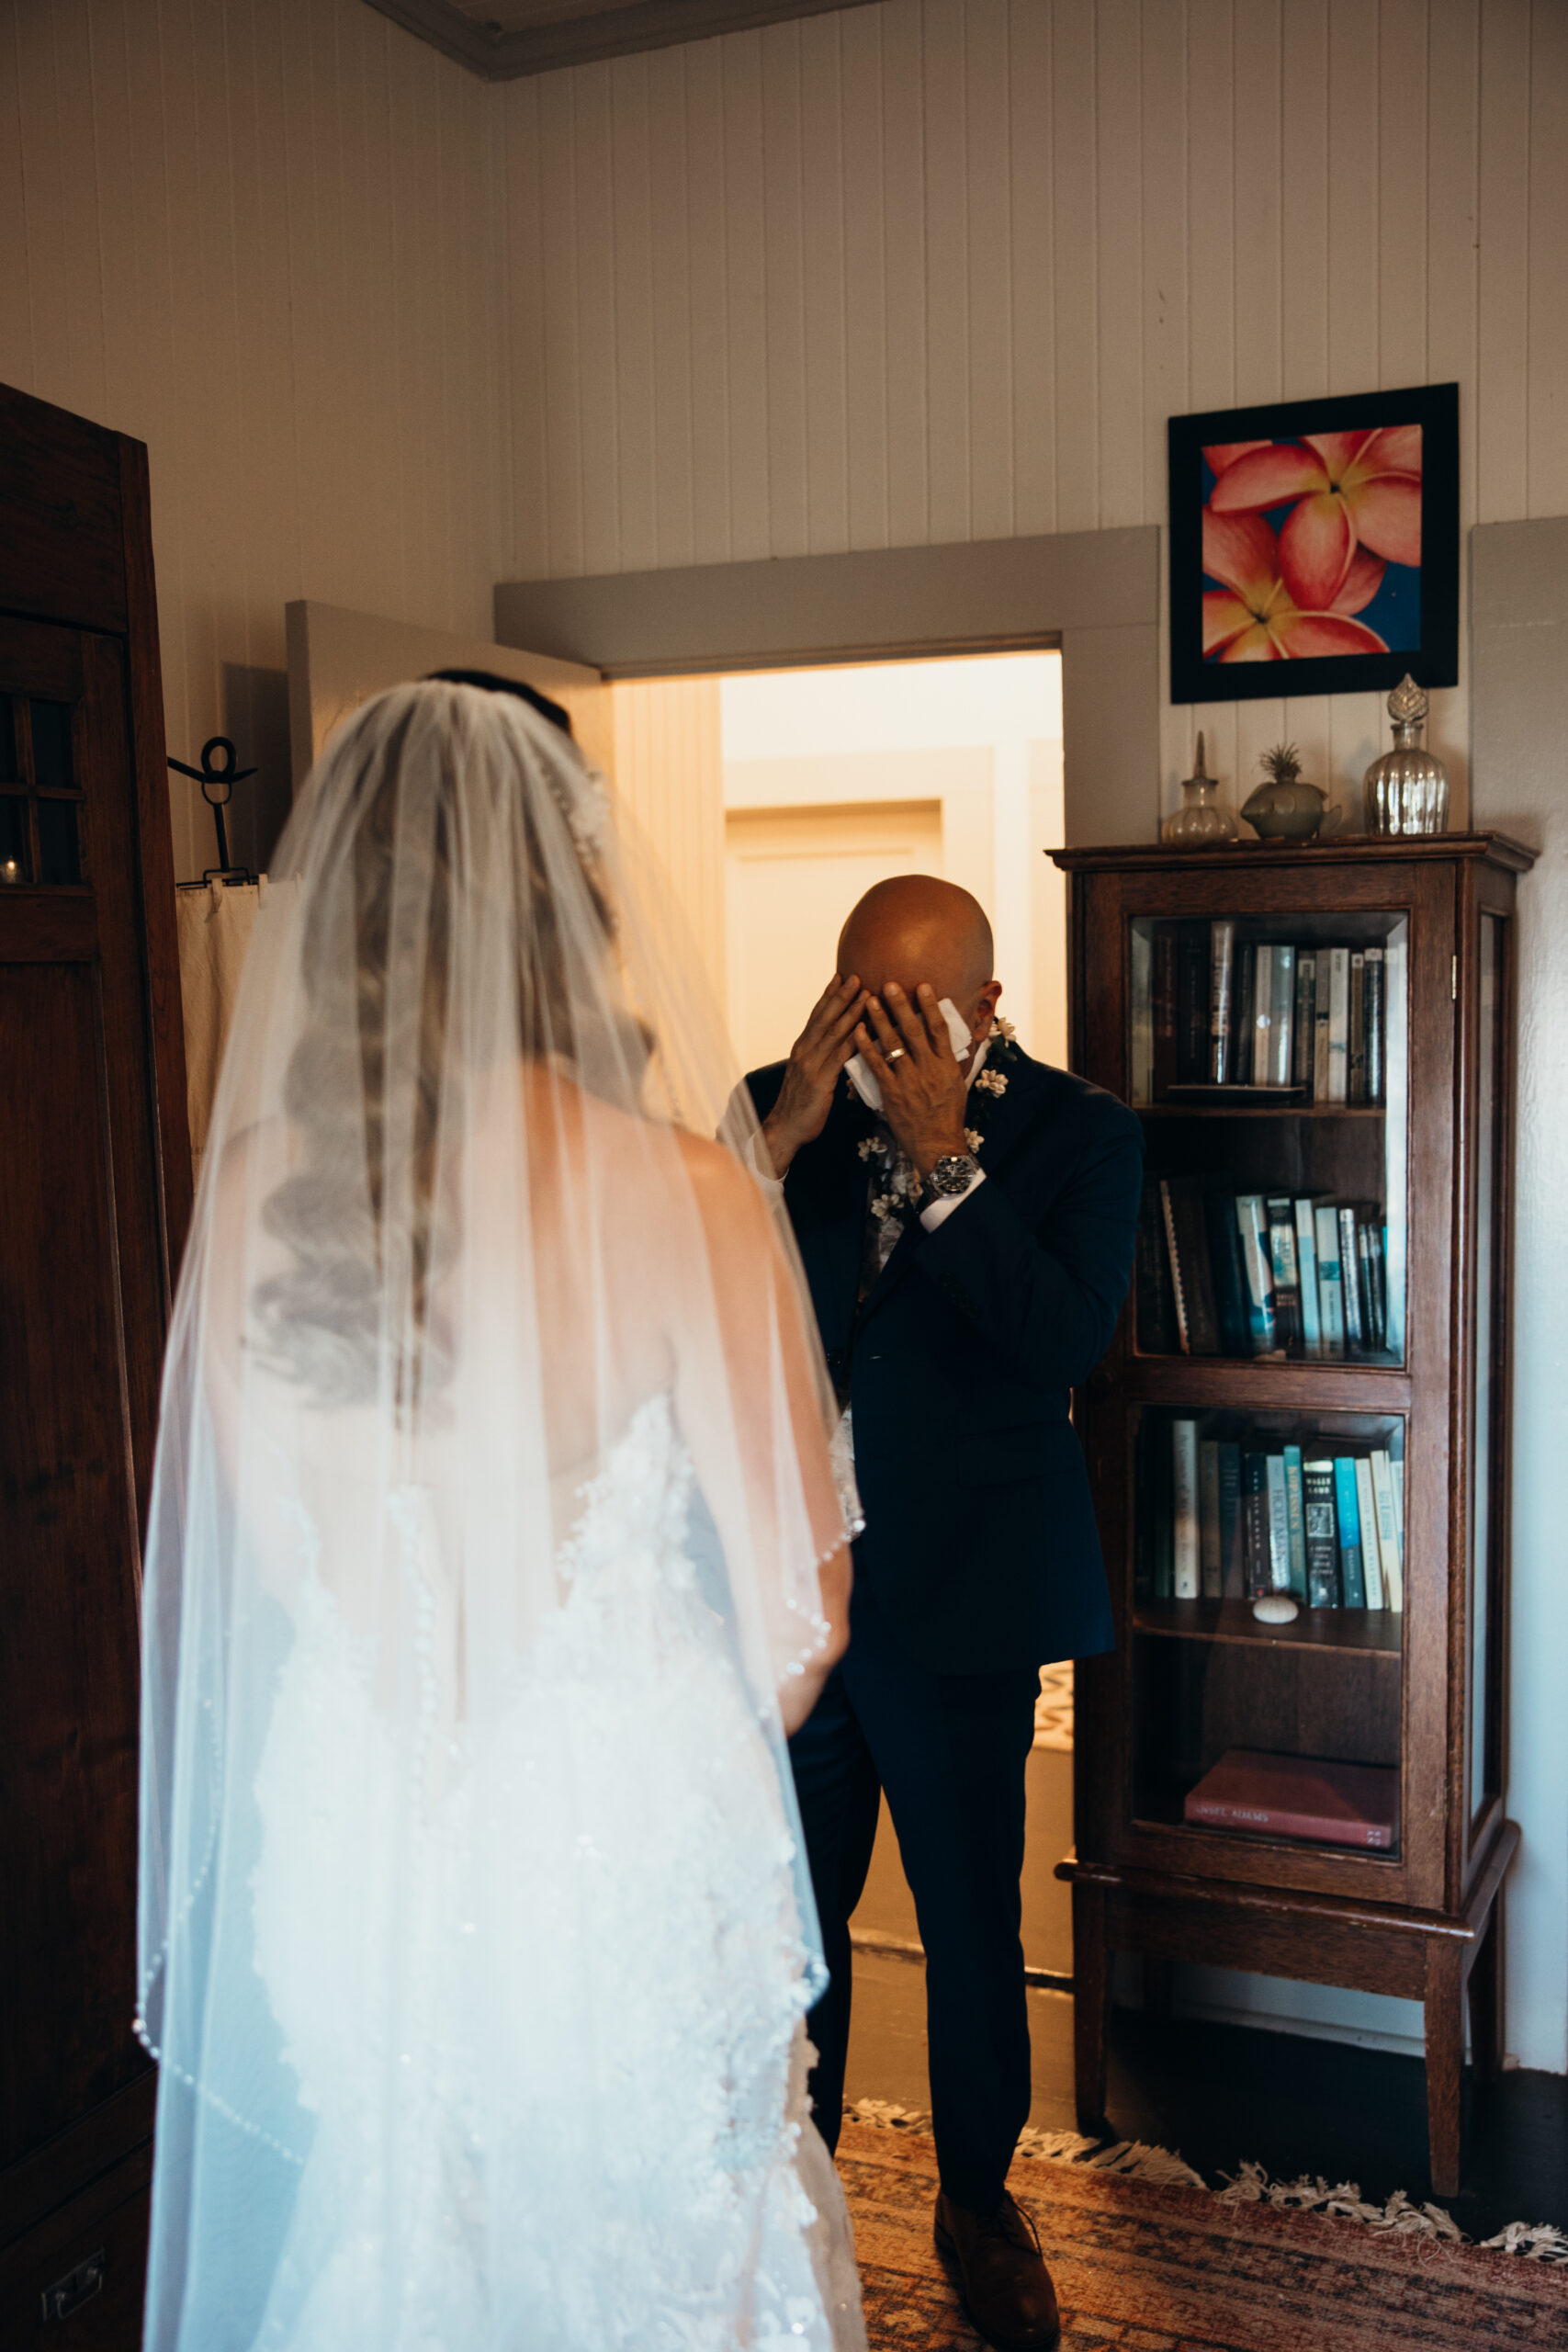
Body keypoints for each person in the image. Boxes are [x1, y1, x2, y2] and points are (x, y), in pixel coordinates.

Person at [136, 676, 866, 2352]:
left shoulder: (247, 1190)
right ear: (576, 898)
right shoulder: (683, 1193)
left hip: (354, 1838)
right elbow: (804, 1619)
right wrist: (628, 1714)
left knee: (403, 2236)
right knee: (658, 2271)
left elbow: (252, 1557)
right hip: (610, 1849)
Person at [745, 876, 1142, 2352]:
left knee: (972, 1924)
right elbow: (684, 1290)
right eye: (860, 1004)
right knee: (792, 1922)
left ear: (982, 1008)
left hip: (962, 1596)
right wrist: (784, 1128)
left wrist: (943, 1163)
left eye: (913, 1013)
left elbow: (1063, 1338)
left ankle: (977, 2202)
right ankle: (801, 2188)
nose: (880, 1039)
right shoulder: (768, 1112)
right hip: (792, 1599)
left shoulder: (1081, 1133)